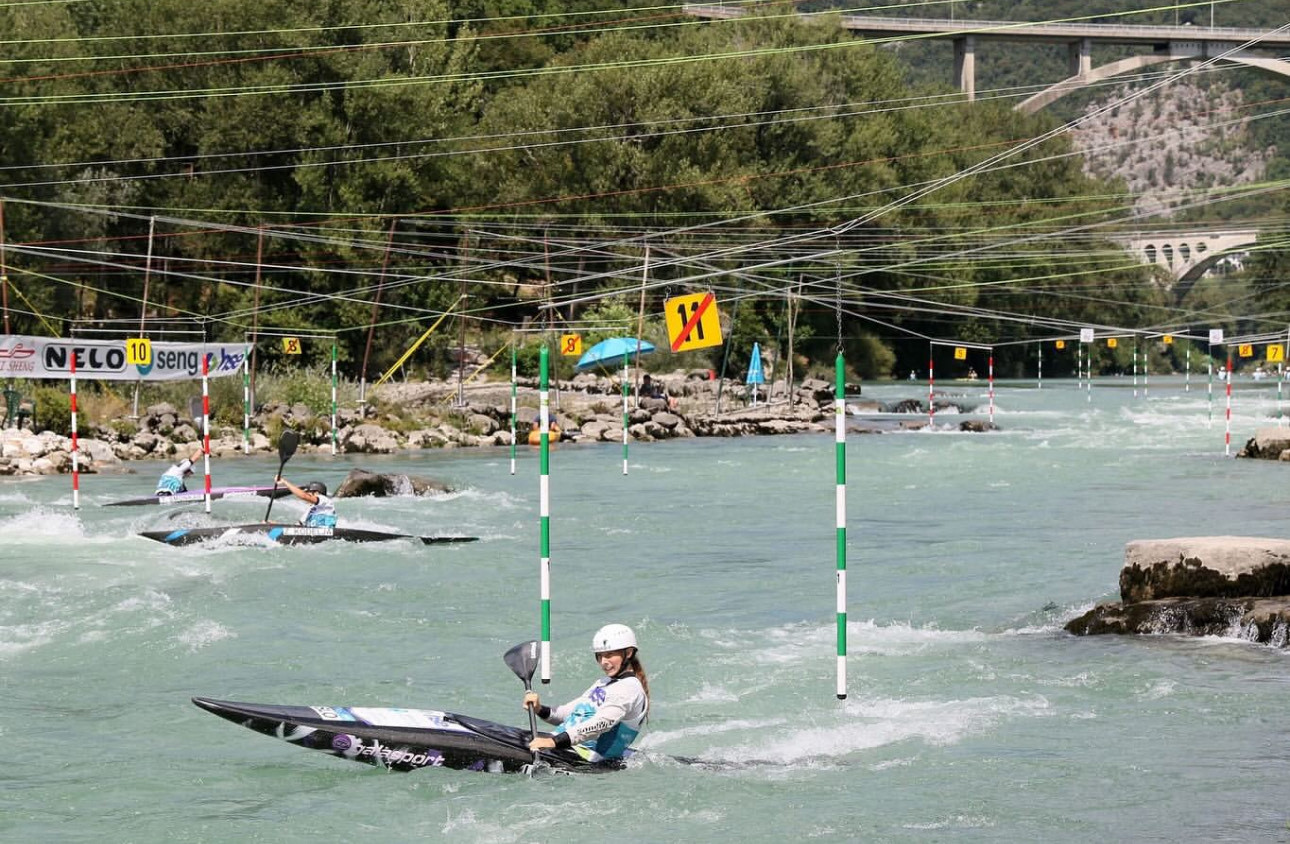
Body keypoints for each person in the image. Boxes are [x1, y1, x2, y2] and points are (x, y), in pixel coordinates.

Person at [522, 623, 650, 763]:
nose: (603, 662)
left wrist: (554, 742)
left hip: (588, 759)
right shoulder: (604, 682)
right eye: (599, 656)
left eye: (609, 655)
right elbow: (569, 714)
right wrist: (539, 709)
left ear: (629, 653)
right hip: (564, 746)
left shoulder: (630, 689)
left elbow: (601, 724)